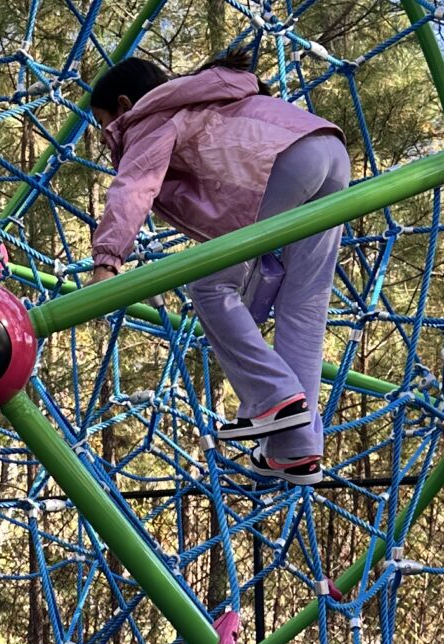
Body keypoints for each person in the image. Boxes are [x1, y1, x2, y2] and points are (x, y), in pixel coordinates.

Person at [86, 51, 351, 477]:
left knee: (208, 285)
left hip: (278, 164)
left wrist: (107, 261)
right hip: (328, 150)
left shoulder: (150, 114)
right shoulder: (206, 97)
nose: (104, 137)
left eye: (102, 123)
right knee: (304, 301)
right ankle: (296, 446)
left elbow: (135, 185)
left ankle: (273, 397)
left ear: (123, 104)